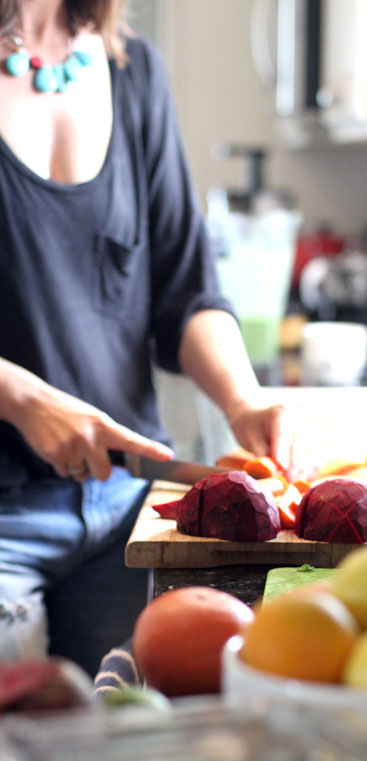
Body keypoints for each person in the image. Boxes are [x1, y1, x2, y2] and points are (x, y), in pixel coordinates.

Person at [0, 0, 295, 677]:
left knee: (129, 737)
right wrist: (22, 397)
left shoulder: (132, 71)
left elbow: (185, 291)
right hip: (7, 516)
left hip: (132, 510)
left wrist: (244, 401)